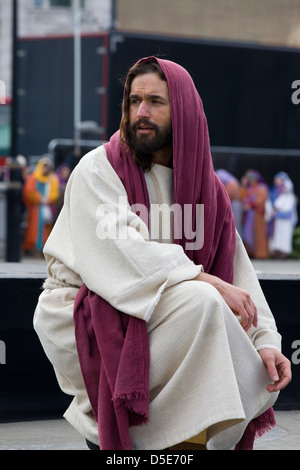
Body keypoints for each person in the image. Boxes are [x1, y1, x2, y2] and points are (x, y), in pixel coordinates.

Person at [33, 57, 291, 451]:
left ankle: (187, 444)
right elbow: (121, 253)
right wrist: (203, 279)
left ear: (183, 110)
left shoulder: (209, 191)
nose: (141, 112)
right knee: (204, 302)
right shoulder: (98, 169)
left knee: (247, 359)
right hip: (87, 309)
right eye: (134, 100)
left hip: (167, 313)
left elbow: (239, 275)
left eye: (155, 101)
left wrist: (266, 341)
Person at [23, 157, 59, 256]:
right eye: (44, 167)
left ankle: (44, 249)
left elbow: (55, 194)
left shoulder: (52, 179)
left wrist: (49, 199)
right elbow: (28, 192)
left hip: (47, 208)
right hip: (35, 208)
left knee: (46, 229)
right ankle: (33, 248)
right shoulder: (33, 178)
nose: (45, 170)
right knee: (34, 229)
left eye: (47, 168)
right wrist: (38, 198)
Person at [265, 172, 298, 259]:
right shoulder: (273, 191)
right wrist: (271, 211)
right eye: (276, 180)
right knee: (275, 236)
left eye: (279, 180)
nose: (277, 181)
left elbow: (287, 205)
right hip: (275, 219)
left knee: (283, 235)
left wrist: (277, 210)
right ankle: (276, 253)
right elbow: (269, 202)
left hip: (284, 219)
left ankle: (282, 254)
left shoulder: (287, 191)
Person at [241, 169, 269, 259]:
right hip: (249, 215)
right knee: (248, 233)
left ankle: (260, 253)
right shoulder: (249, 189)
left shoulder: (262, 188)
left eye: (253, 179)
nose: (251, 181)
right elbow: (244, 198)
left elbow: (260, 201)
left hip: (257, 215)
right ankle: (250, 252)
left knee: (258, 233)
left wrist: (251, 205)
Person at [215, 169, 243, 235]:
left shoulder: (219, 174)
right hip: (232, 203)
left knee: (235, 227)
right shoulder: (223, 176)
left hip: (234, 204)